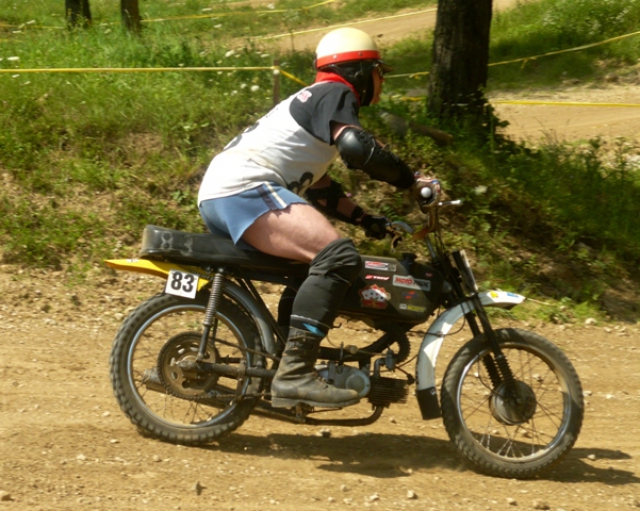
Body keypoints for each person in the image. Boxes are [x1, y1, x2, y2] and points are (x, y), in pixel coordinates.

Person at [198, 27, 436, 409]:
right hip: (243, 189)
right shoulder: (335, 92)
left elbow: (321, 190)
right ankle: (295, 374)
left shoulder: (318, 103)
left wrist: (366, 220)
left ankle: (282, 363)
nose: (382, 80)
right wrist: (412, 181)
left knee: (311, 267)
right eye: (379, 71)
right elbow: (358, 147)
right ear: (358, 70)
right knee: (338, 257)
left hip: (224, 194)